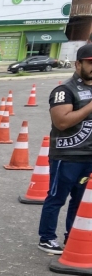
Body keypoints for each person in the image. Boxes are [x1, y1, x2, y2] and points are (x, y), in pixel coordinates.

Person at [37, 43, 92, 254]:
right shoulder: (64, 90)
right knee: (56, 198)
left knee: (82, 201)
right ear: (78, 64)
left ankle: (74, 236)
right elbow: (61, 122)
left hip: (89, 156)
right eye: (90, 63)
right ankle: (47, 237)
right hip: (67, 155)